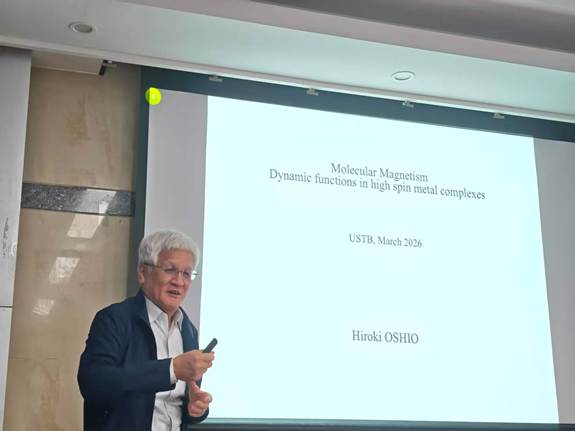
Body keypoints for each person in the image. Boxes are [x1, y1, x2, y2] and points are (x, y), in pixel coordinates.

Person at [78, 230, 214, 430]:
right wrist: (170, 370)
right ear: (143, 272)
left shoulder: (188, 330)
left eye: (187, 273)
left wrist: (195, 409)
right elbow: (94, 384)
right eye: (170, 270)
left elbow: (174, 408)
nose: (179, 281)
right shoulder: (114, 319)